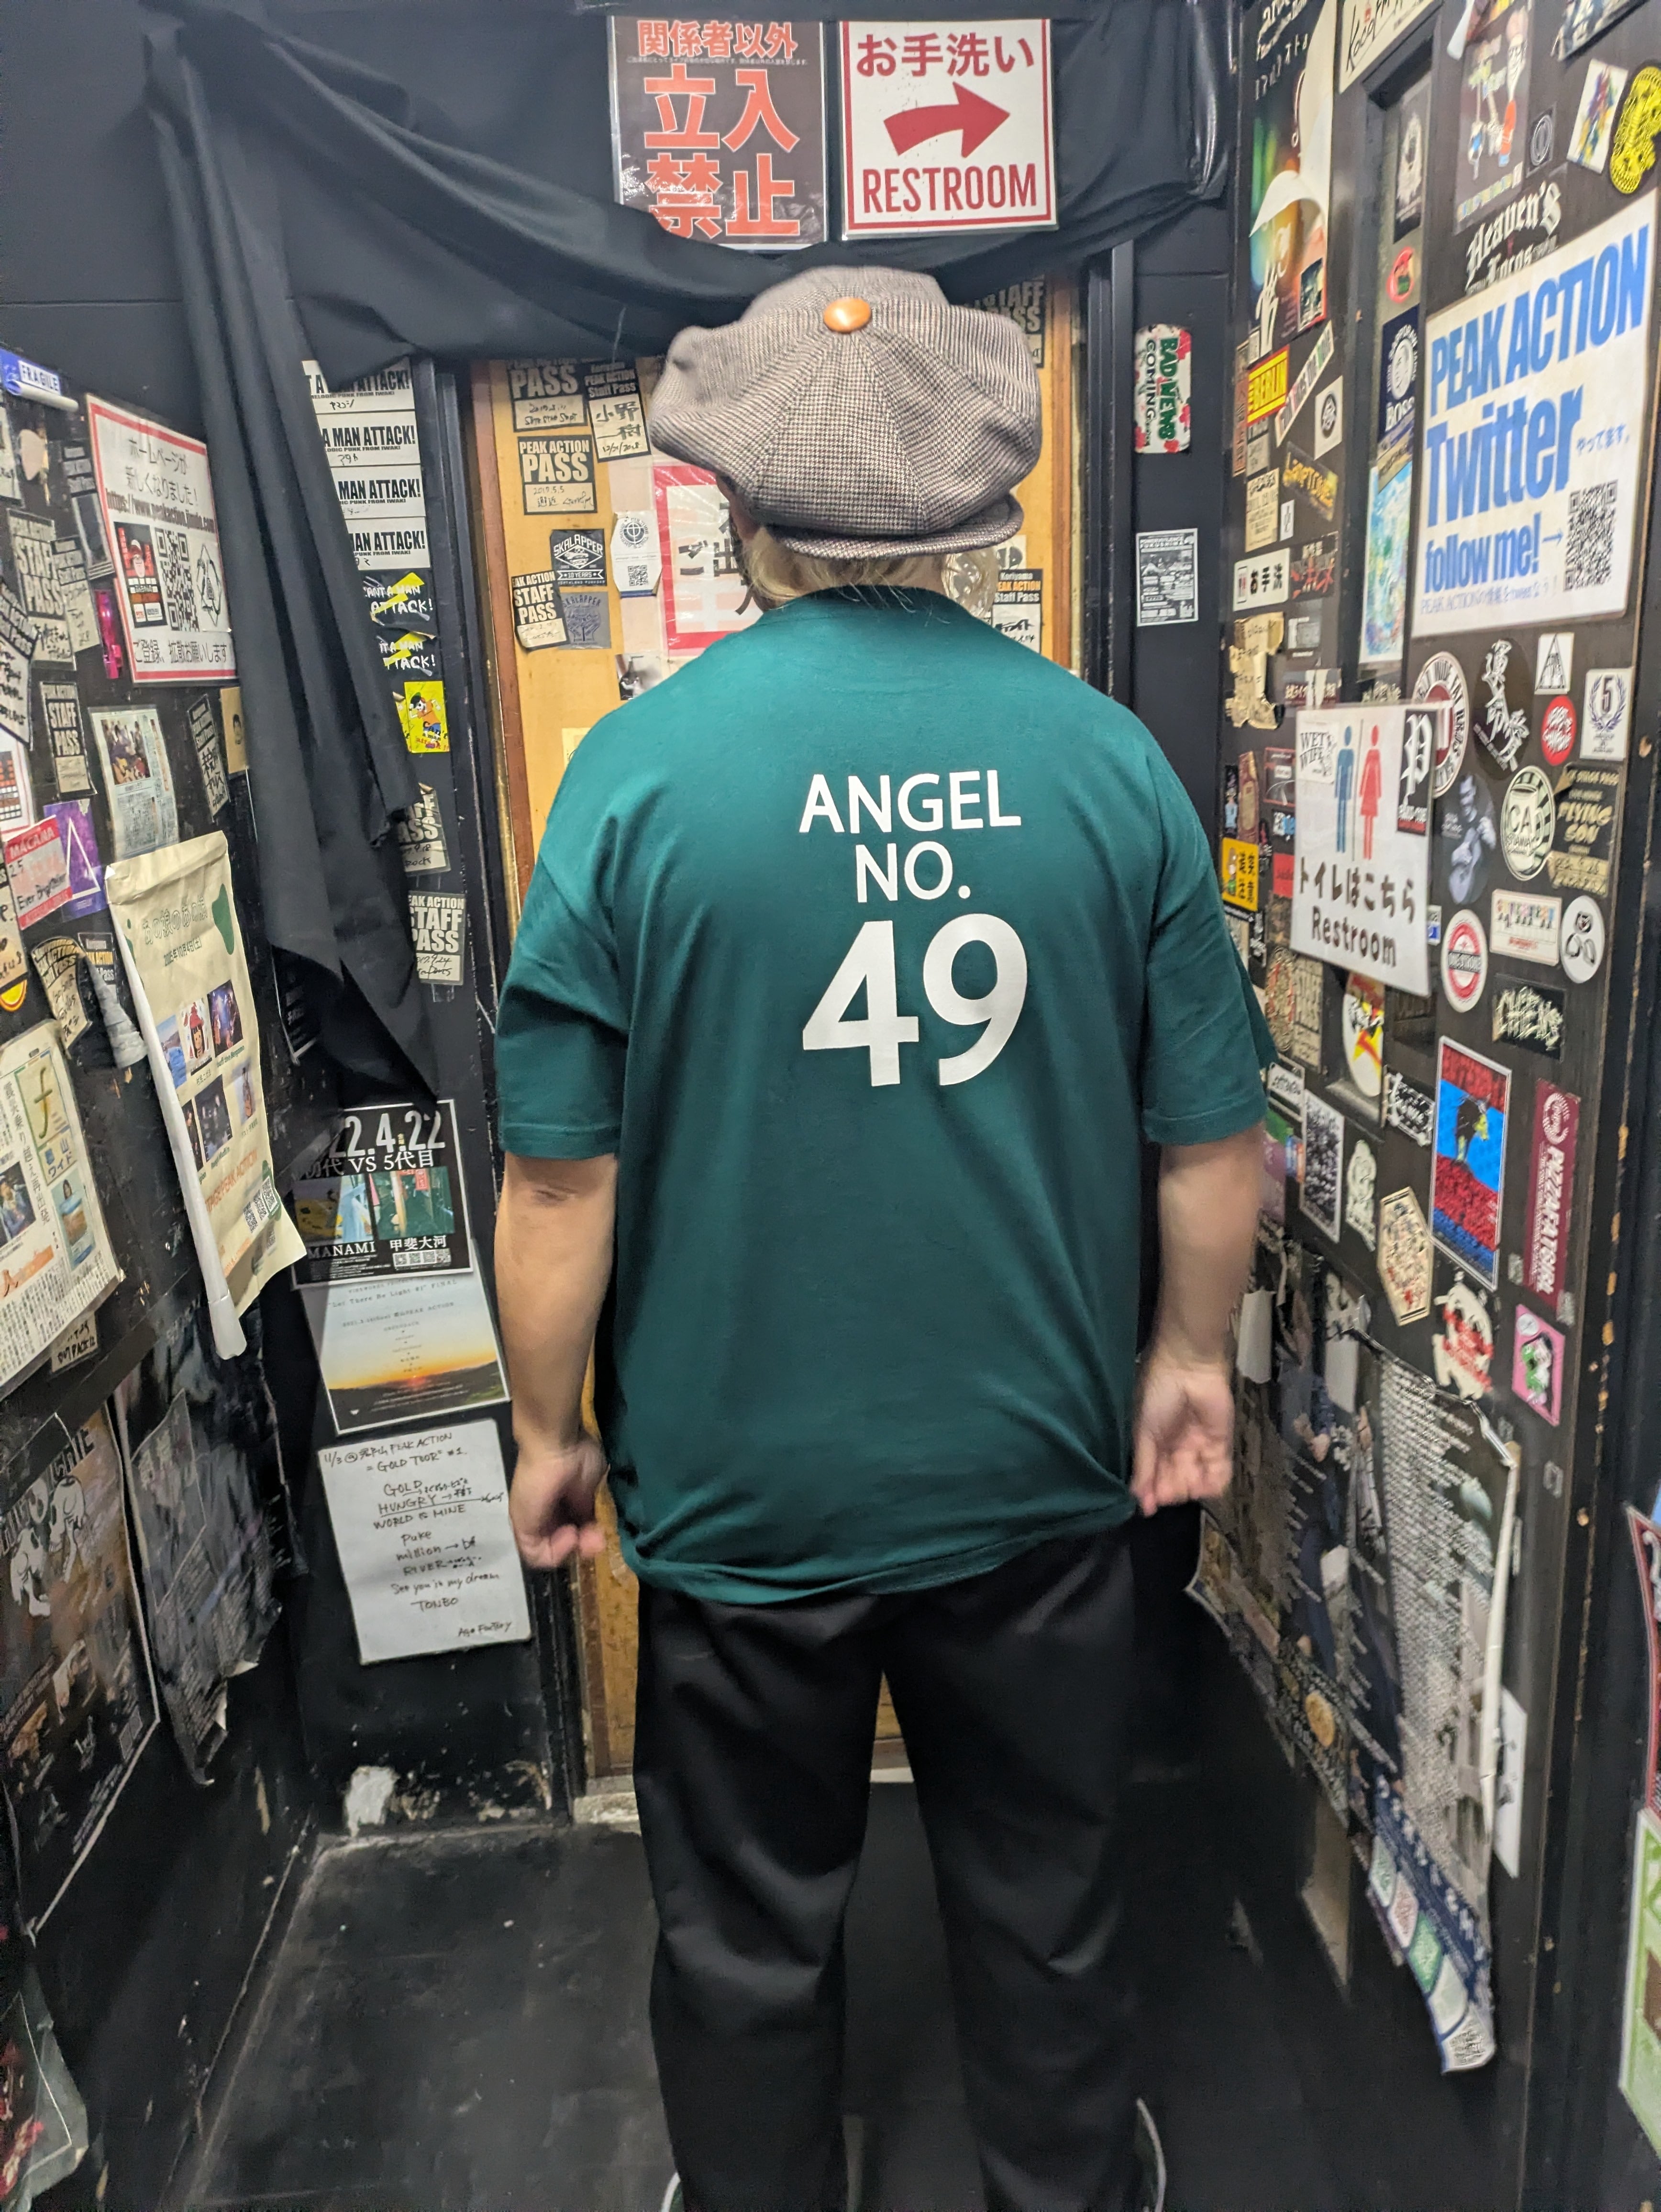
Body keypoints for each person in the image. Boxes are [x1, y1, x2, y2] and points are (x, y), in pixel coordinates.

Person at [494, 266, 1269, 2212]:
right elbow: (1210, 1137)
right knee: (1046, 1891)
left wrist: (546, 1430)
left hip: (740, 1496)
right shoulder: (1108, 767)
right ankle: (1064, 2187)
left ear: (740, 512)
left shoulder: (633, 779)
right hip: (1036, 1477)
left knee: (746, 1928)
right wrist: (1187, 1359)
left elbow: (561, 1183)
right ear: (978, 509)